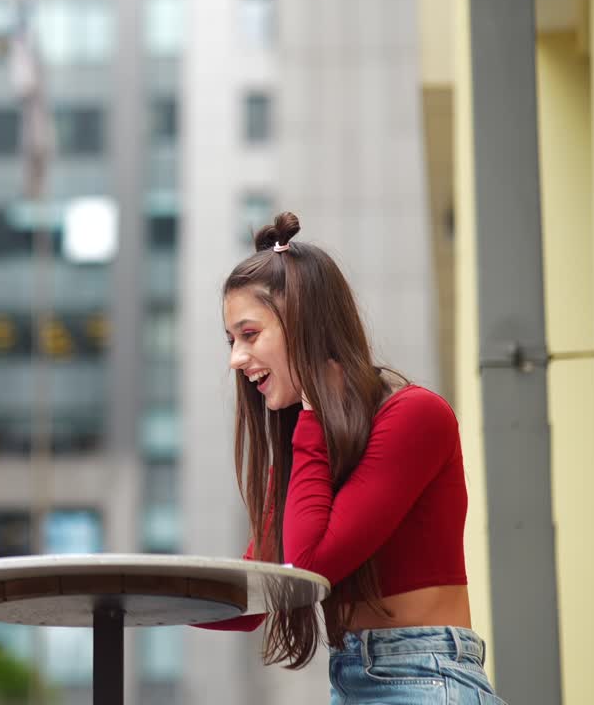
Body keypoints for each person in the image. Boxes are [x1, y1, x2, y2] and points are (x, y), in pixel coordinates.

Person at [195, 212, 504, 703]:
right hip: (353, 681)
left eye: (249, 335)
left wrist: (311, 425)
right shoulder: (310, 444)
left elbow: (307, 566)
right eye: (231, 341)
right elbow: (257, 595)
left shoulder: (414, 416)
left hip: (423, 676)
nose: (235, 359)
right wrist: (134, 594)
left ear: (303, 325)